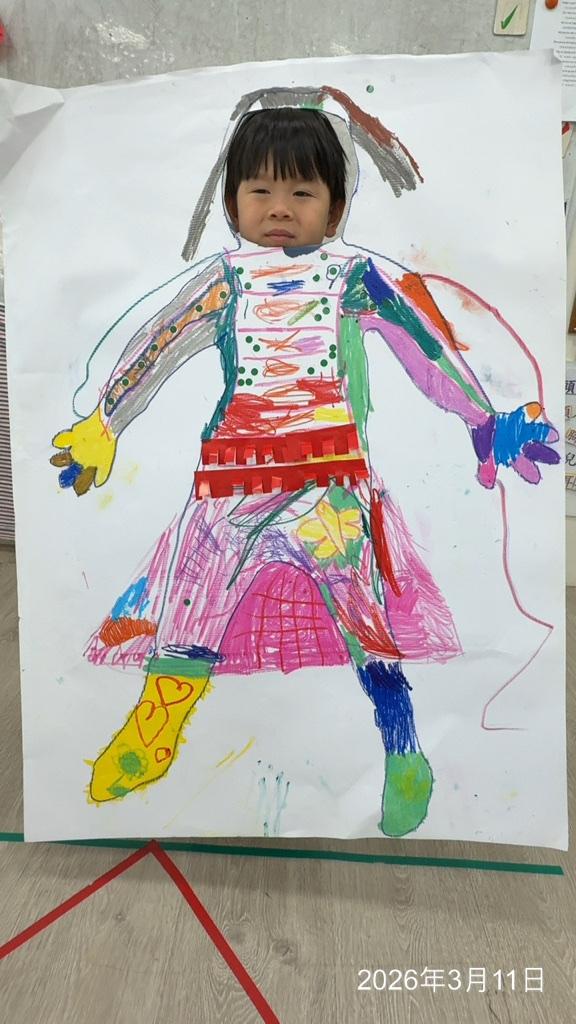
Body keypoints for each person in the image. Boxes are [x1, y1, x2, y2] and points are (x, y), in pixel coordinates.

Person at [51, 99, 559, 837]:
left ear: (337, 207)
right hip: (227, 485)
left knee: (366, 624)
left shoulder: (355, 276)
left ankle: (405, 752)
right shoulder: (224, 280)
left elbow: (425, 348)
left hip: (329, 483)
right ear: (232, 205)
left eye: (302, 192)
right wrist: (105, 422)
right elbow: (158, 344)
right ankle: (152, 737)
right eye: (260, 191)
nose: (280, 209)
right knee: (189, 608)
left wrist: (486, 421)